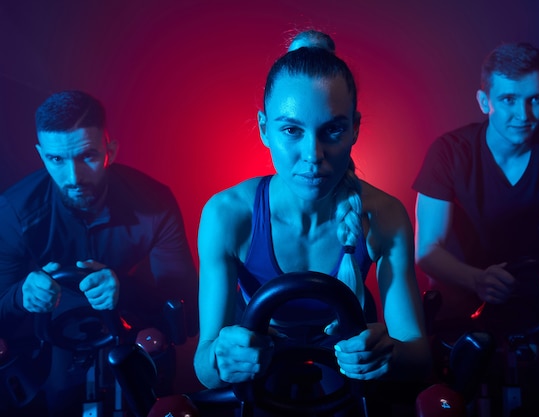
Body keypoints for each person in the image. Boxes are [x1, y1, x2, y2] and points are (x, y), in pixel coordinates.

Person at [194, 31, 431, 408]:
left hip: (348, 369)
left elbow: (418, 355)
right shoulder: (228, 215)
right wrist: (222, 357)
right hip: (263, 367)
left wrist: (389, 353)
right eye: (291, 130)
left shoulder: (385, 216)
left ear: (354, 127)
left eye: (332, 130)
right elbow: (205, 369)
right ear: (263, 129)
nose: (312, 155)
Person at [413, 42, 539, 413]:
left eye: (536, 100)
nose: (524, 114)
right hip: (460, 294)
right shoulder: (449, 152)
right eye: (510, 100)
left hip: (533, 288)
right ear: (485, 102)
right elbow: (427, 250)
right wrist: (476, 279)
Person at [0, 90, 199, 416]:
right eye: (56, 160)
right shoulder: (13, 213)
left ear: (111, 150)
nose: (73, 178)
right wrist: (22, 296)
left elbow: (186, 312)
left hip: (131, 323)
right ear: (41, 155)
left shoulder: (154, 203)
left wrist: (125, 288)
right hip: (49, 331)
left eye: (87, 156)